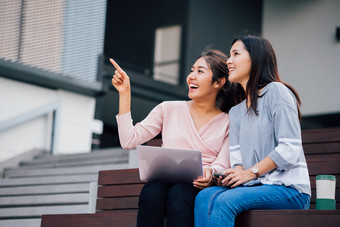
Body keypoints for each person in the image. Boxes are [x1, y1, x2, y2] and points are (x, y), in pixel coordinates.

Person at [194, 35, 311, 227]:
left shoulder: (277, 92)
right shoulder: (236, 112)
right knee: (204, 196)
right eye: (229, 55)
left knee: (224, 201)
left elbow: (289, 149)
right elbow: (237, 160)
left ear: (256, 58)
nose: (228, 60)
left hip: (290, 190)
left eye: (236, 54)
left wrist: (252, 172)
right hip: (256, 187)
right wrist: (232, 175)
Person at [110, 49, 236, 227]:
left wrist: (211, 173)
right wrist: (124, 93)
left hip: (197, 185)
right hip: (163, 180)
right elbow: (129, 140)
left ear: (219, 82)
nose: (191, 76)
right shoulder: (168, 109)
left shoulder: (228, 122)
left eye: (200, 71)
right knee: (151, 192)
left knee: (180, 194)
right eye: (192, 70)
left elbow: (222, 163)